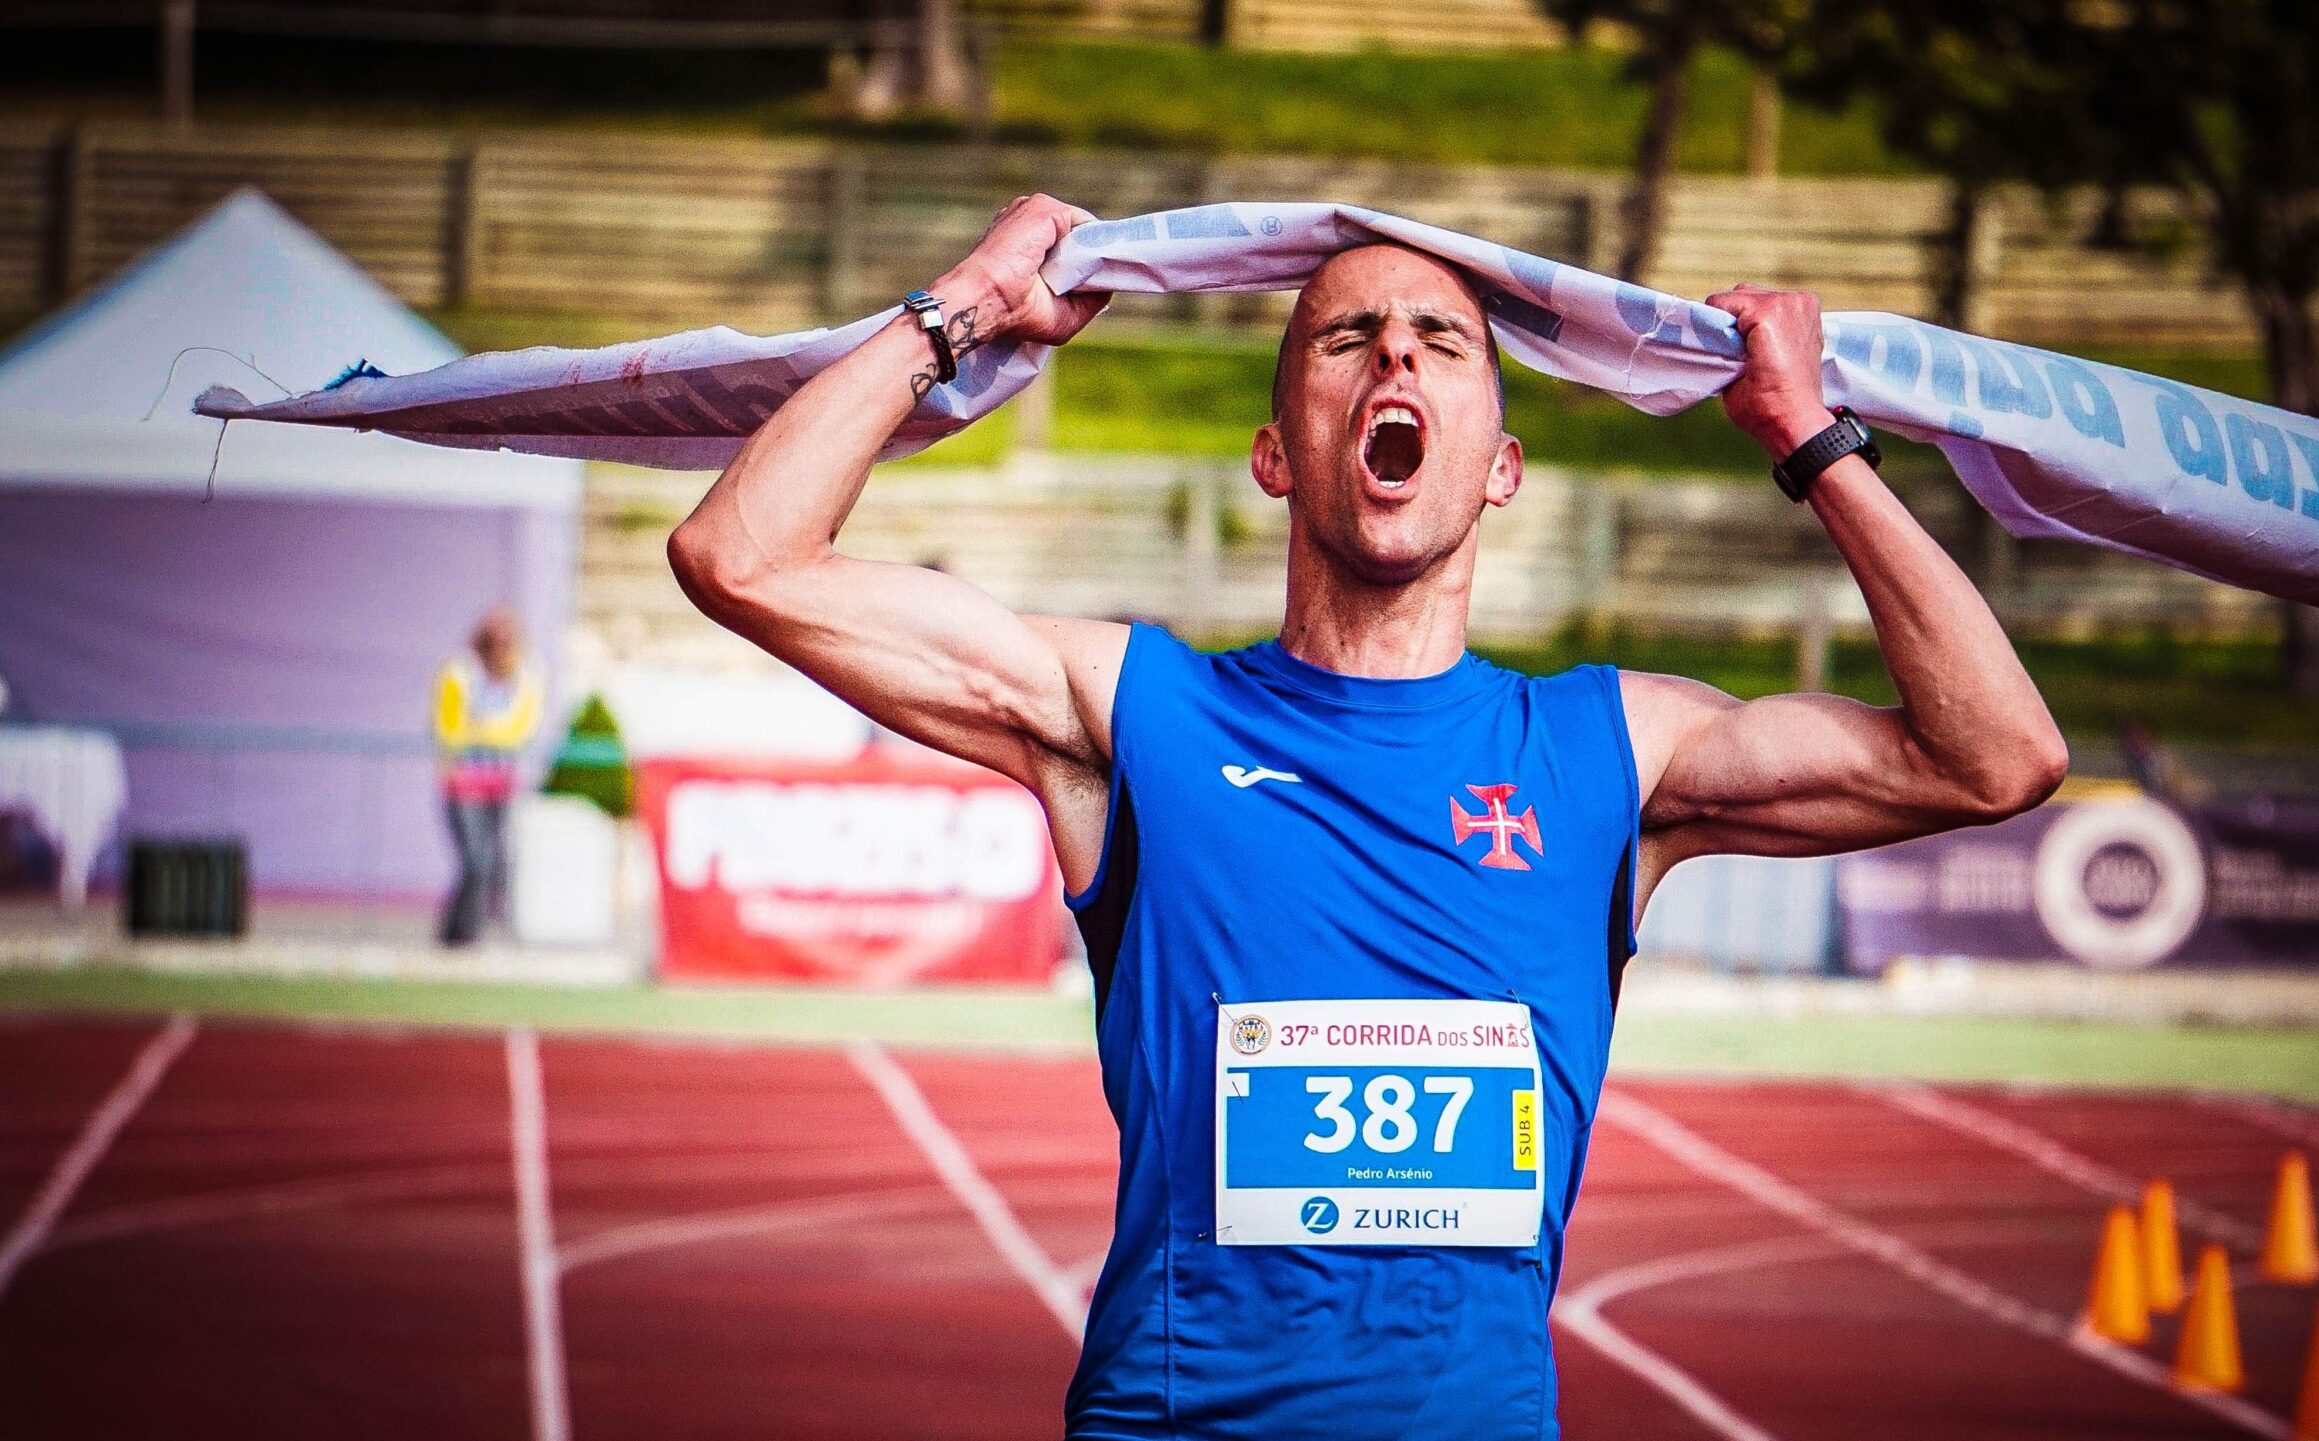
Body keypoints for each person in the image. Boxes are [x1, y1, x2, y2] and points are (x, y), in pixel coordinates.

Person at [668, 196, 2067, 1439]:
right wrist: (963, 307)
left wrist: (1811, 441)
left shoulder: (1610, 751)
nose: (1394, 355)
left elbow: (1995, 754)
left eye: (1439, 343)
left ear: (1500, 468)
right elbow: (741, 553)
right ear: (1277, 456)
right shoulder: (1135, 717)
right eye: (1346, 339)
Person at [432, 607, 542, 947]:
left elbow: (521, 730)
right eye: (495, 643)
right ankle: (461, 935)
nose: (501, 650)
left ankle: (464, 932)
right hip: (461, 785)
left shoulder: (526, 674)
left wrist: (480, 730)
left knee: (494, 864)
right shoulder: (460, 673)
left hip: (501, 785)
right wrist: (488, 734)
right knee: (475, 861)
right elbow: (449, 729)